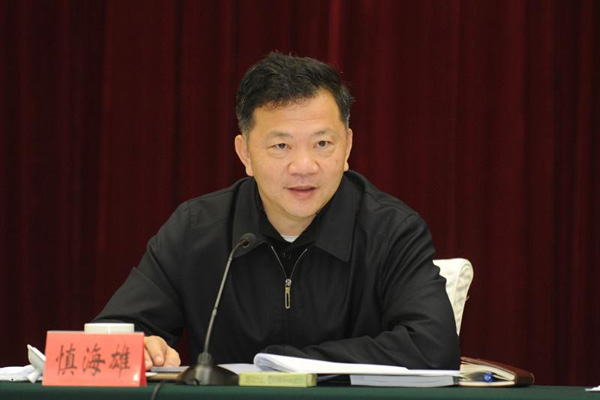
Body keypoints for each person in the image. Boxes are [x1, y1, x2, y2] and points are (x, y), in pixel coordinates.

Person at [94, 52, 460, 371]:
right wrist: (142, 347)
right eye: (281, 146)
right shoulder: (196, 229)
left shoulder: (392, 231)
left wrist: (284, 364)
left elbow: (432, 347)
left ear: (348, 146)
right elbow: (111, 338)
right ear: (245, 153)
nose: (304, 166)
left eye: (322, 143)